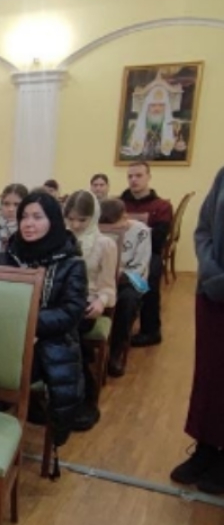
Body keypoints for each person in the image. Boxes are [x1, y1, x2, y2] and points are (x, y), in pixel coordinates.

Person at [0, 191, 87, 471]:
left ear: (53, 221)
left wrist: (27, 324)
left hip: (49, 345)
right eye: (24, 217)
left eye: (37, 217)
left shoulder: (71, 263)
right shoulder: (4, 257)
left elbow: (71, 313)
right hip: (3, 340)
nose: (28, 223)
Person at [171, 166, 224, 492]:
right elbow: (203, 230)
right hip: (211, 292)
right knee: (209, 373)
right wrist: (211, 271)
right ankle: (205, 447)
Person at [64, 190, 117, 430]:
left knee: (67, 332)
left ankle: (83, 398)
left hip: (88, 303)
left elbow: (109, 288)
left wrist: (100, 302)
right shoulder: (62, 240)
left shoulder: (105, 244)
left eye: (81, 219)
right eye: (71, 219)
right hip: (63, 301)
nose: (75, 225)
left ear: (93, 217)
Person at [121, 161, 173, 346]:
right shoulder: (119, 203)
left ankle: (151, 331)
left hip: (150, 254)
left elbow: (158, 239)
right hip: (121, 253)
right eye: (130, 176)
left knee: (148, 280)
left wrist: (130, 225)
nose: (133, 180)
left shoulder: (162, 206)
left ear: (149, 177)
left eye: (138, 175)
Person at [99, 198, 151, 376]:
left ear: (124, 217)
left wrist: (120, 273)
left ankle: (115, 352)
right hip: (108, 276)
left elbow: (141, 265)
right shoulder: (101, 229)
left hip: (135, 278)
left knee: (127, 301)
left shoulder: (141, 231)